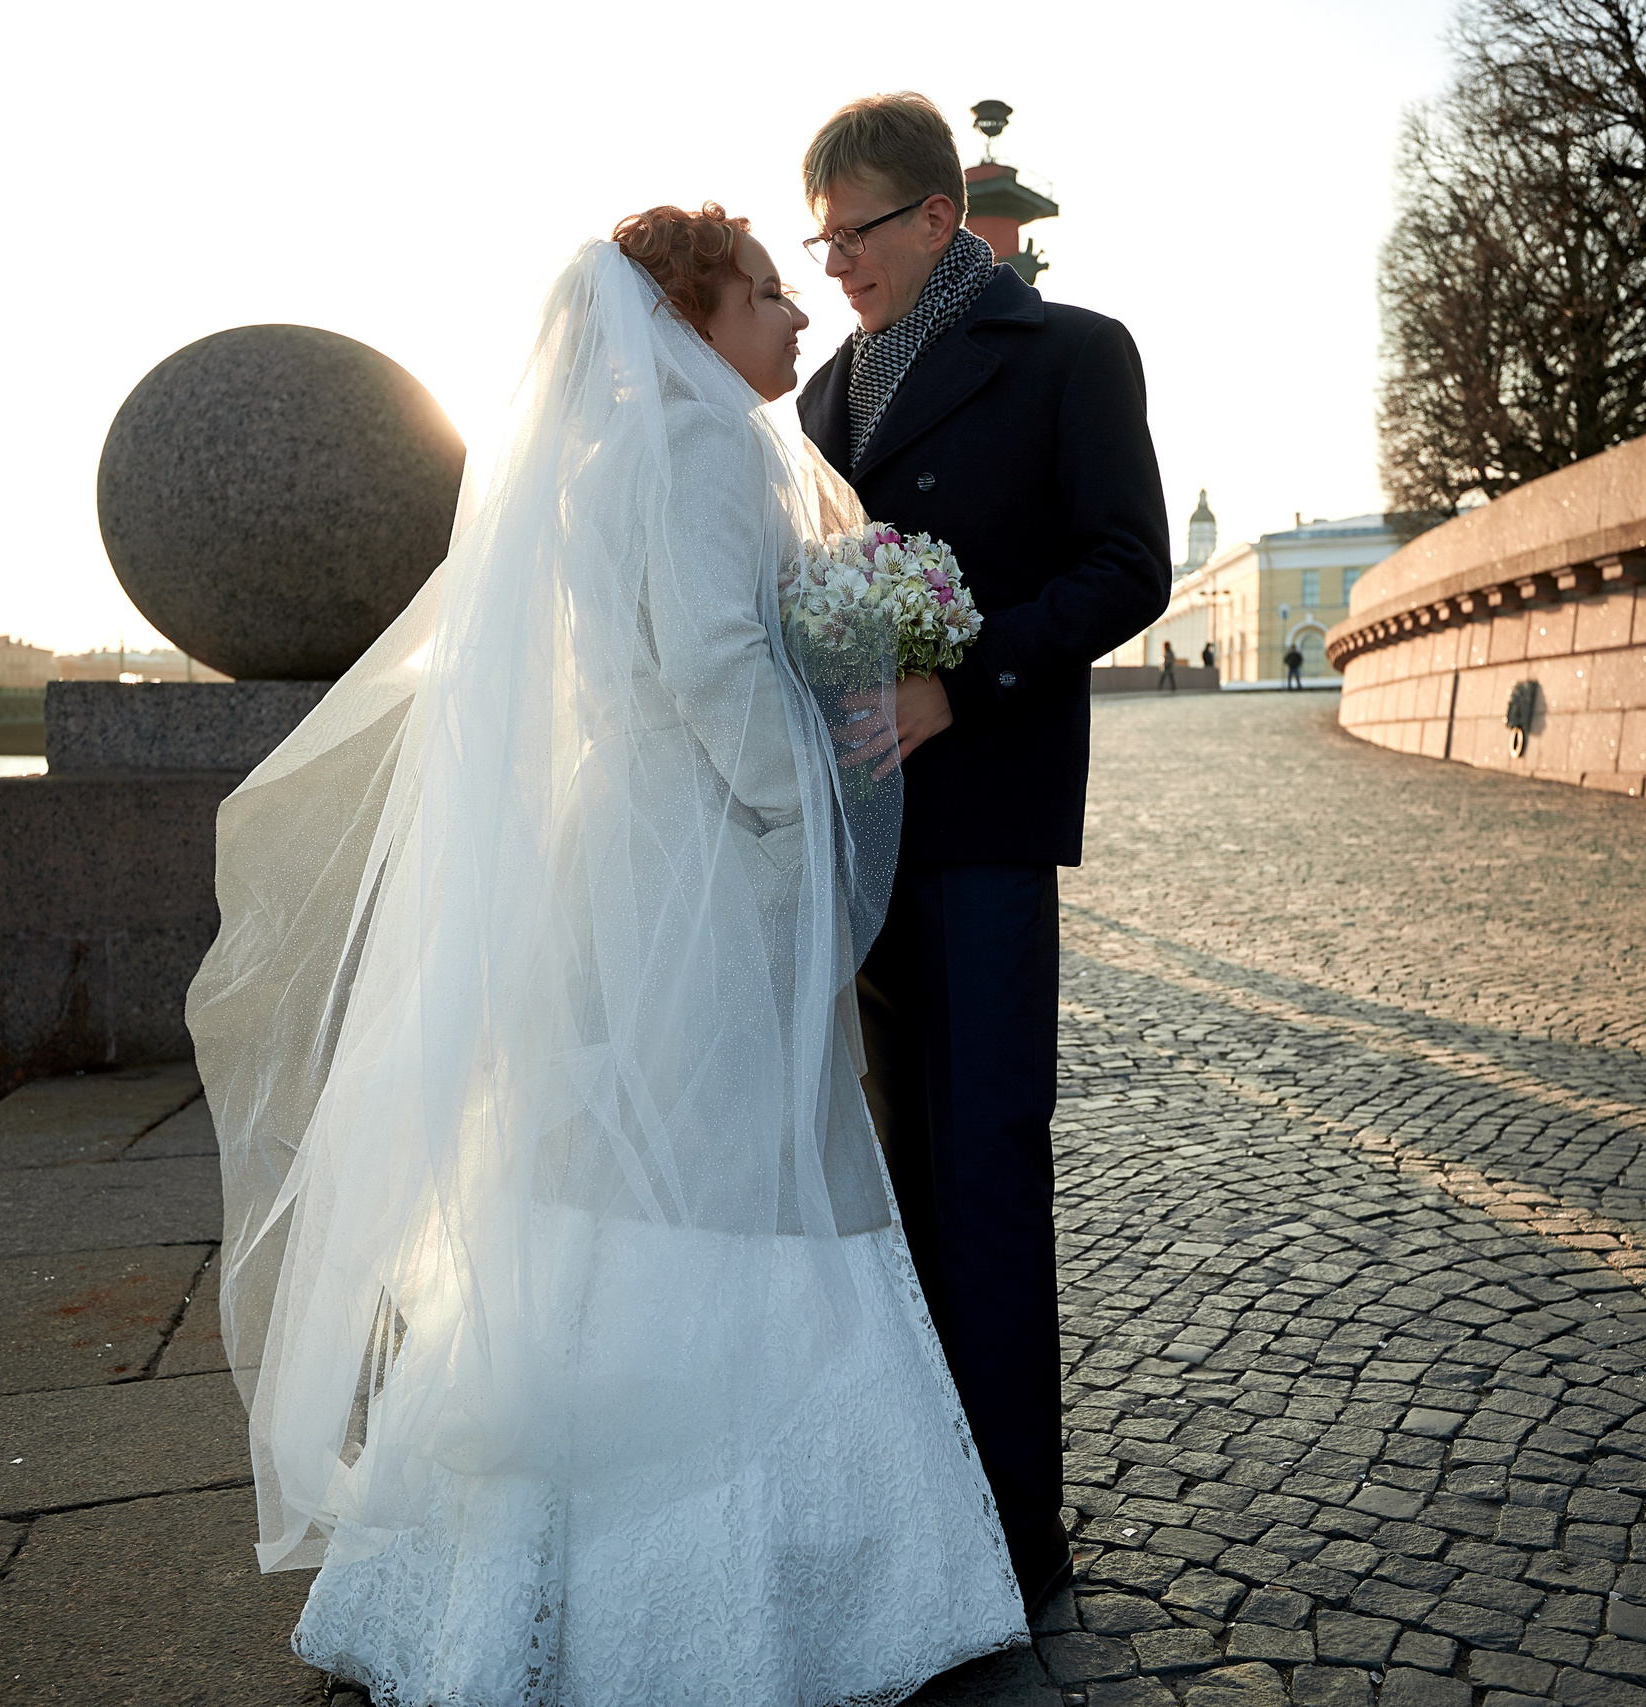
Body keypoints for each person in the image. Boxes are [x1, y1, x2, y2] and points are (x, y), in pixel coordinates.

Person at [191, 207, 1024, 1706]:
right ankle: (729, 1594)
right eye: (766, 293)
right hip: (697, 852)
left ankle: (516, 1576)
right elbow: (711, 661)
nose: (796, 317)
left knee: (605, 1180)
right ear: (692, 325)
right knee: (726, 1174)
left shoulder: (598, 464)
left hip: (622, 845)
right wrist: (800, 812)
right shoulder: (707, 452)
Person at [796, 92, 1169, 1615]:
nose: (835, 264)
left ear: (941, 217)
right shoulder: (825, 394)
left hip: (989, 816)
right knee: (902, 1181)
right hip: (864, 838)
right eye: (820, 241)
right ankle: (926, 1512)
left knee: (990, 1168)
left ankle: (1015, 1536)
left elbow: (1128, 567)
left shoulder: (1073, 353)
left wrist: (968, 677)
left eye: (855, 233)